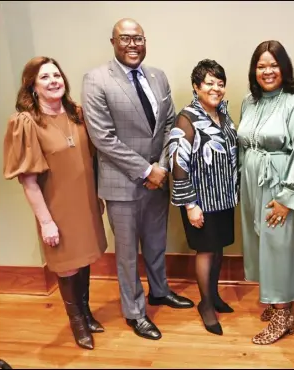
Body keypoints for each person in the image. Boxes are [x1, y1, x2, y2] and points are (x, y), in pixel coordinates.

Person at [81, 18, 194, 341]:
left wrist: (160, 168)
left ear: (146, 41)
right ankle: (134, 312)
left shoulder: (157, 77)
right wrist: (146, 170)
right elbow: (103, 137)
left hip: (157, 181)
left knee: (157, 244)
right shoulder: (97, 80)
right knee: (128, 254)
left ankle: (160, 291)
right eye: (126, 38)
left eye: (139, 38)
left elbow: (170, 123)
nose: (133, 44)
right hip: (123, 184)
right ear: (113, 41)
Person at [3, 56, 107, 350]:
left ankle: (86, 314)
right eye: (45, 77)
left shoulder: (77, 113)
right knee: (66, 266)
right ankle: (77, 324)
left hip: (84, 203)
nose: (53, 81)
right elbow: (29, 181)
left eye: (56, 75)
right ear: (32, 86)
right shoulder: (26, 122)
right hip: (57, 208)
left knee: (84, 258)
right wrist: (46, 221)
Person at [237, 40, 294, 345]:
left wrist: (287, 196)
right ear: (253, 70)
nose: (268, 71)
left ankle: (283, 314)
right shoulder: (250, 101)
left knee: (280, 246)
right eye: (261, 66)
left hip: (282, 183)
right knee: (263, 245)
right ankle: (274, 302)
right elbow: (245, 145)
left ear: (285, 67)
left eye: (274, 65)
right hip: (253, 184)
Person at [169, 59, 238, 336]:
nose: (216, 88)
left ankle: (215, 295)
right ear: (196, 86)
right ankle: (206, 305)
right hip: (200, 201)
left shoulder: (223, 113)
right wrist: (190, 205)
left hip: (223, 197)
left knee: (219, 248)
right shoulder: (186, 118)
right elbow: (178, 164)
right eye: (209, 83)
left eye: (220, 83)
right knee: (206, 251)